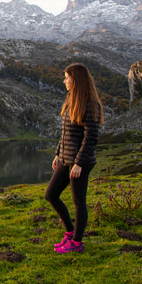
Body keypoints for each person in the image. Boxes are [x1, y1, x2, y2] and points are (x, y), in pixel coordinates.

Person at [45, 63, 103, 254]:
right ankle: (70, 231)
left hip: (79, 162)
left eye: (67, 77)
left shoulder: (90, 104)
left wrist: (79, 163)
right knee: (51, 194)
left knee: (79, 202)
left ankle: (77, 243)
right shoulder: (71, 100)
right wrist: (58, 153)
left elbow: (90, 137)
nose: (64, 80)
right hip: (65, 159)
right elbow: (66, 133)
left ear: (76, 79)